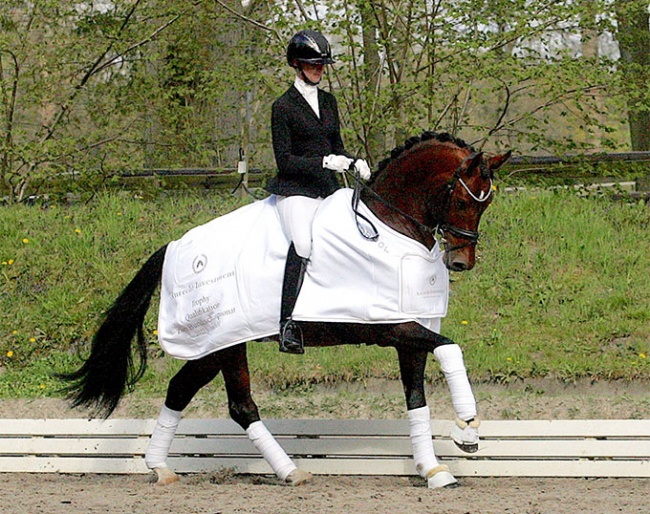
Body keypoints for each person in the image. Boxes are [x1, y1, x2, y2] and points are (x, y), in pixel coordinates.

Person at [266, 29, 371, 354]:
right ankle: (287, 324)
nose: (319, 70)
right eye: (313, 65)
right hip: (296, 190)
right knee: (304, 242)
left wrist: (355, 162)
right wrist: (324, 161)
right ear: (296, 65)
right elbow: (285, 161)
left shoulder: (329, 101)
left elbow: (337, 146)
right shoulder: (282, 107)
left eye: (322, 65)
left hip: (328, 189)